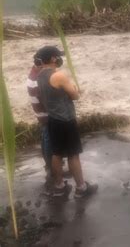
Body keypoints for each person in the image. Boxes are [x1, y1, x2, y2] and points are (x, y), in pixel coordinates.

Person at [35, 46, 98, 199]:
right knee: (73, 155)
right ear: (52, 59)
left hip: (53, 119)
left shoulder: (40, 75)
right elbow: (75, 95)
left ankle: (59, 186)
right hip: (66, 120)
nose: (59, 59)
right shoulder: (58, 76)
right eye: (57, 56)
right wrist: (75, 87)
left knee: (57, 154)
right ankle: (81, 188)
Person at [27, 55, 52, 183]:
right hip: (45, 114)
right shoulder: (38, 79)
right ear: (40, 63)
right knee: (48, 140)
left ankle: (49, 165)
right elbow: (46, 99)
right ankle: (50, 167)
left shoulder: (33, 74)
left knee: (45, 137)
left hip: (40, 113)